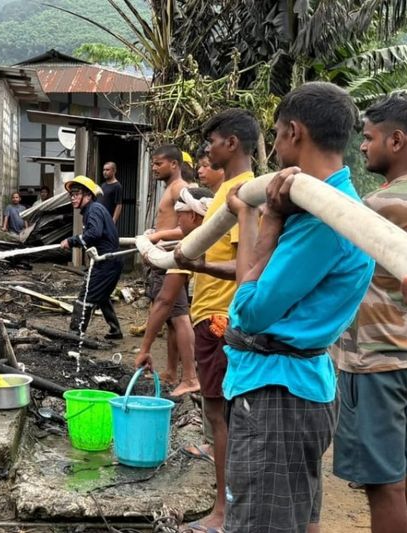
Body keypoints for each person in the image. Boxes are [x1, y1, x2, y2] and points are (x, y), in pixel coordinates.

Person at [220, 82, 375, 532]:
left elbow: (249, 311)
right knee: (293, 519)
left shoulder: (325, 218)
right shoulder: (322, 206)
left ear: (293, 132)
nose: (274, 145)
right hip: (290, 390)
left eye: (275, 134)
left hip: (277, 397)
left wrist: (269, 222)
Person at [332, 96, 407, 533]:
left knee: (383, 486)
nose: (362, 146)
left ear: (397, 141)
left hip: (377, 359)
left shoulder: (378, 209)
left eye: (369, 136)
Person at [173, 108, 259, 532]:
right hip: (212, 315)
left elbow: (250, 265)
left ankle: (224, 515)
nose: (206, 150)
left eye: (212, 141)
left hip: (220, 318)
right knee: (218, 415)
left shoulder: (244, 193)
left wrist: (199, 265)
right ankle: (229, 510)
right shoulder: (229, 191)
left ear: (233, 144)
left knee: (221, 416)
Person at [134, 187, 214, 397]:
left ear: (195, 215)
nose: (177, 219)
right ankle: (182, 376)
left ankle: (190, 378)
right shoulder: (214, 234)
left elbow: (164, 300)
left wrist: (144, 349)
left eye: (180, 213)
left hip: (214, 321)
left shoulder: (192, 244)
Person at [143, 145, 196, 387]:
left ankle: (190, 377)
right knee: (173, 320)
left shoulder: (180, 188)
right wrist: (155, 233)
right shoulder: (170, 189)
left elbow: (189, 227)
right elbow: (171, 224)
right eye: (153, 164)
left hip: (170, 261)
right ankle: (173, 372)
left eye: (158, 163)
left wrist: (156, 238)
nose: (154, 168)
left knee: (180, 317)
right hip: (164, 259)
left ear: (174, 164)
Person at [60, 176, 122, 339]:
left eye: (76, 193)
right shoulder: (94, 209)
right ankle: (115, 331)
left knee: (85, 296)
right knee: (101, 296)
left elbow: (94, 234)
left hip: (106, 263)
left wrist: (71, 241)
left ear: (88, 195)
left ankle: (74, 335)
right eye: (71, 194)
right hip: (109, 262)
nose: (73, 197)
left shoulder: (93, 210)